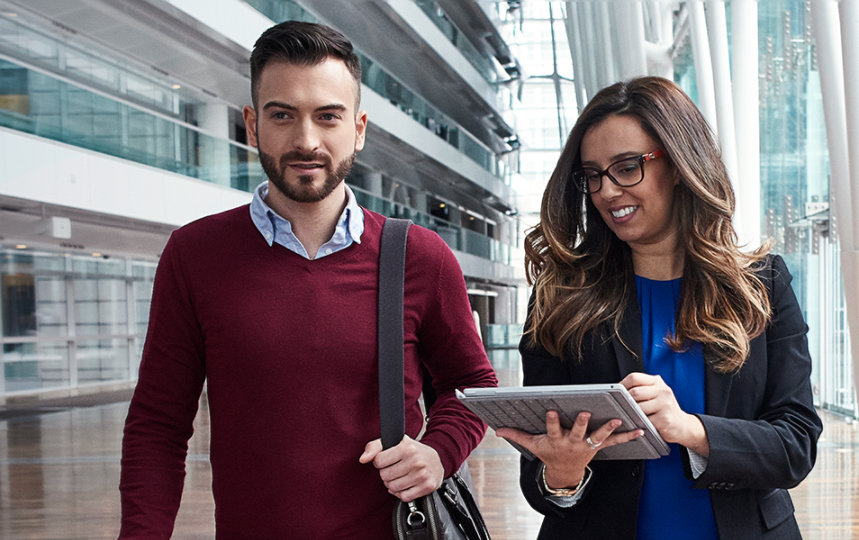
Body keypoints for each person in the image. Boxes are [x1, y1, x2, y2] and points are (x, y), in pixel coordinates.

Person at [119, 20, 497, 539]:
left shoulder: (418, 256)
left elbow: (472, 385)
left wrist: (438, 452)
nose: (306, 140)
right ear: (252, 125)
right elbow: (157, 426)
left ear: (358, 128)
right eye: (282, 115)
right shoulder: (195, 256)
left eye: (328, 116)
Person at [497, 76, 822, 539]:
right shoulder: (561, 295)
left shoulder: (762, 284)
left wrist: (691, 430)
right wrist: (561, 475)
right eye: (592, 175)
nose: (607, 191)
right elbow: (538, 473)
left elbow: (796, 444)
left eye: (627, 167)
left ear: (680, 164)